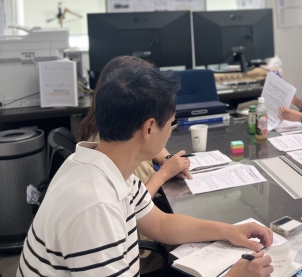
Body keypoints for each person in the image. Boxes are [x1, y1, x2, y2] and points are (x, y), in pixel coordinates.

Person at [20, 65, 274, 277]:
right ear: (149, 128)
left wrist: (229, 231)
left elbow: (161, 224)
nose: (171, 130)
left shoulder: (104, 165)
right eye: (171, 122)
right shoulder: (95, 206)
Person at [77, 55, 191, 197]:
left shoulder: (114, 131)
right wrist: (164, 173)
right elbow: (136, 204)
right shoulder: (121, 154)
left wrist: (167, 159)